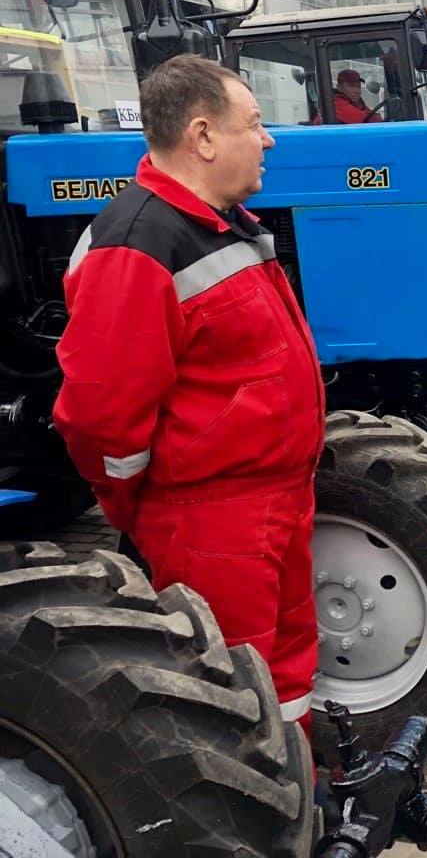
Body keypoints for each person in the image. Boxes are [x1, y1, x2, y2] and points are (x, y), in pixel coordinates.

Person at [53, 54, 324, 733]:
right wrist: (145, 507)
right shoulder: (138, 242)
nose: (268, 139)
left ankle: (301, 792)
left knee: (284, 671)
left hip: (274, 501)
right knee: (229, 691)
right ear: (203, 137)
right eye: (254, 124)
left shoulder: (227, 222)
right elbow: (101, 414)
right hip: (214, 518)